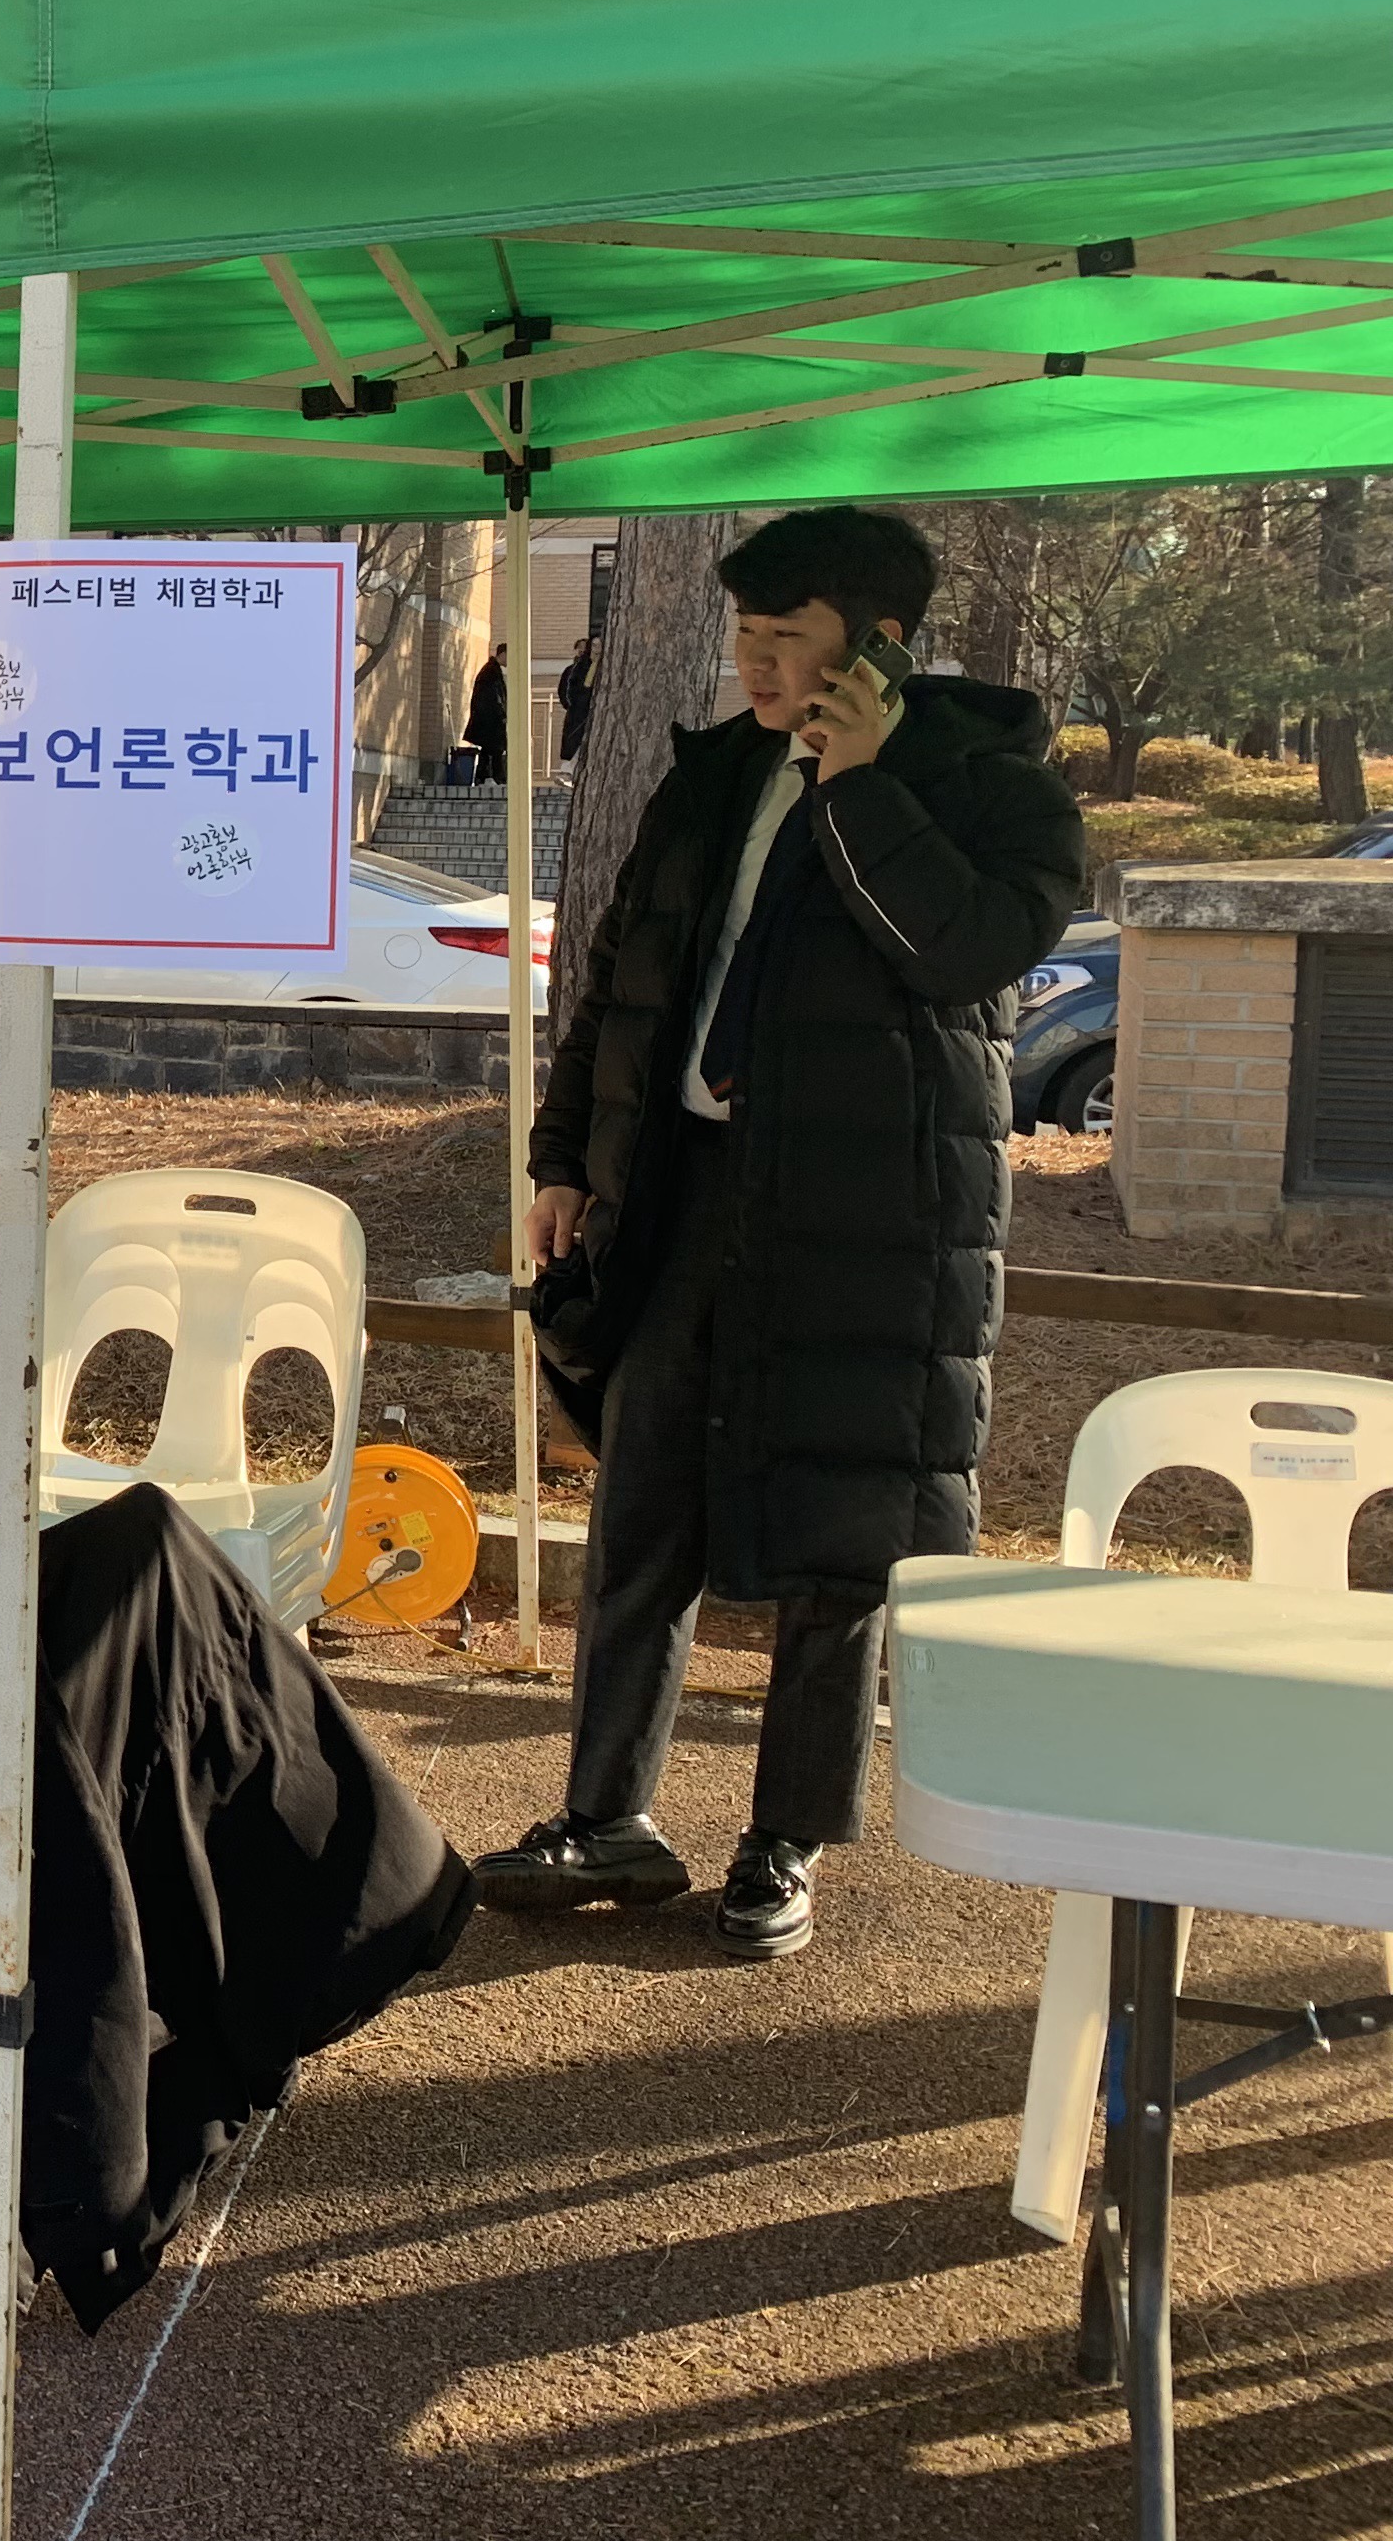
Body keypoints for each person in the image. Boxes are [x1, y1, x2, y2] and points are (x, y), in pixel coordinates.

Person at [487, 508, 1084, 1959]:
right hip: (683, 1193)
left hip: (871, 1220)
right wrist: (565, 1158)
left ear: (875, 643)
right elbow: (622, 979)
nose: (753, 666)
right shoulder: (714, 779)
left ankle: (785, 1839)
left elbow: (964, 953)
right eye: (742, 638)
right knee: (642, 1512)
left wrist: (866, 786)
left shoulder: (997, 787)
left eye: (785, 641)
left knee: (840, 1542)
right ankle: (605, 1813)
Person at [461, 650, 515, 785]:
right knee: (494, 749)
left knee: (489, 750)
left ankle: (485, 777)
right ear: (503, 654)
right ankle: (493, 777)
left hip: (488, 720)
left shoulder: (491, 671)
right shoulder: (491, 673)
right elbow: (492, 697)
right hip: (490, 721)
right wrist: (501, 713)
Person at [556, 636, 596, 765]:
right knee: (573, 740)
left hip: (584, 711)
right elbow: (564, 690)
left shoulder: (592, 668)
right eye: (579, 648)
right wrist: (571, 705)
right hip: (577, 712)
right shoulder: (571, 670)